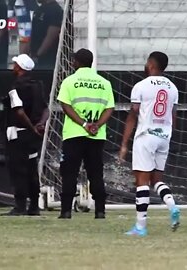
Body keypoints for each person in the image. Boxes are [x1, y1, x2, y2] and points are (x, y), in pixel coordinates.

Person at [119, 51, 181, 237]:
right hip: (164, 136)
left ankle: (140, 226)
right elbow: (173, 116)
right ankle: (172, 207)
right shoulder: (173, 88)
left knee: (142, 181)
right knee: (157, 180)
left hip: (146, 136)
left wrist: (124, 143)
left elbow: (133, 114)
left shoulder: (141, 86)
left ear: (151, 65)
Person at [56, 48, 114, 219]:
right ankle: (100, 211)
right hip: (96, 135)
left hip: (74, 134)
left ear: (77, 62)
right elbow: (109, 108)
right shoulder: (104, 83)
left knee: (69, 172)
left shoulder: (69, 81)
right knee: (95, 173)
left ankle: (66, 211)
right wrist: (96, 125)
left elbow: (66, 106)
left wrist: (83, 124)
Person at [1, 54, 49, 216]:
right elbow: (46, 109)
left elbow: (19, 111)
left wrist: (31, 127)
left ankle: (20, 206)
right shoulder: (38, 85)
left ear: (19, 68)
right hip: (33, 137)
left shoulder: (14, 88)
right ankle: (34, 206)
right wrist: (40, 125)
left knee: (17, 170)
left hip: (18, 134)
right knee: (31, 169)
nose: (13, 66)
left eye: (15, 64)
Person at [30, 0, 63, 69]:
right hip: (35, 58)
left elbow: (51, 35)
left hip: (48, 61)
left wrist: (38, 55)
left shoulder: (55, 10)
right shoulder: (39, 9)